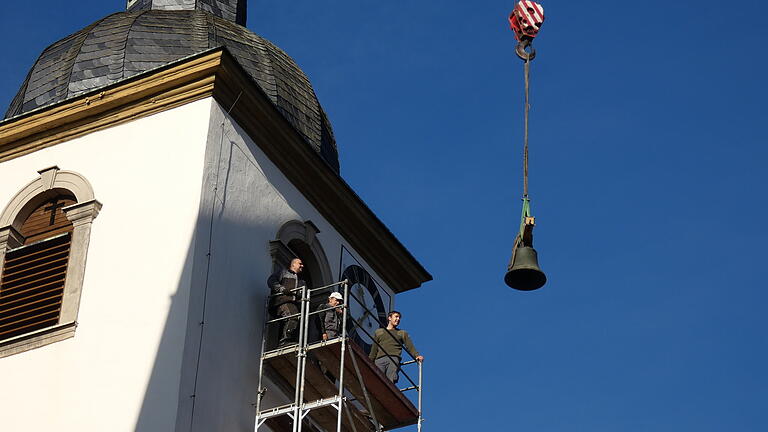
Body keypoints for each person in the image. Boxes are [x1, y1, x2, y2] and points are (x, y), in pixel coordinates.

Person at [369, 310, 424, 383]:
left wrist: (416, 355)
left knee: (390, 381)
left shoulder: (402, 333)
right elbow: (374, 349)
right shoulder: (379, 332)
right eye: (396, 317)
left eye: (399, 318)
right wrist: (369, 361)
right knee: (376, 380)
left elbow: (409, 346)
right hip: (379, 360)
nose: (398, 319)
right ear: (389, 318)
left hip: (393, 359)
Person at [267, 258, 305, 347]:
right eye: (300, 263)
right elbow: (271, 281)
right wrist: (282, 289)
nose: (302, 266)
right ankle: (285, 341)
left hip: (292, 303)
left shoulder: (301, 280)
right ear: (293, 264)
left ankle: (287, 341)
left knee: (293, 318)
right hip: (282, 301)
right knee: (293, 316)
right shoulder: (284, 272)